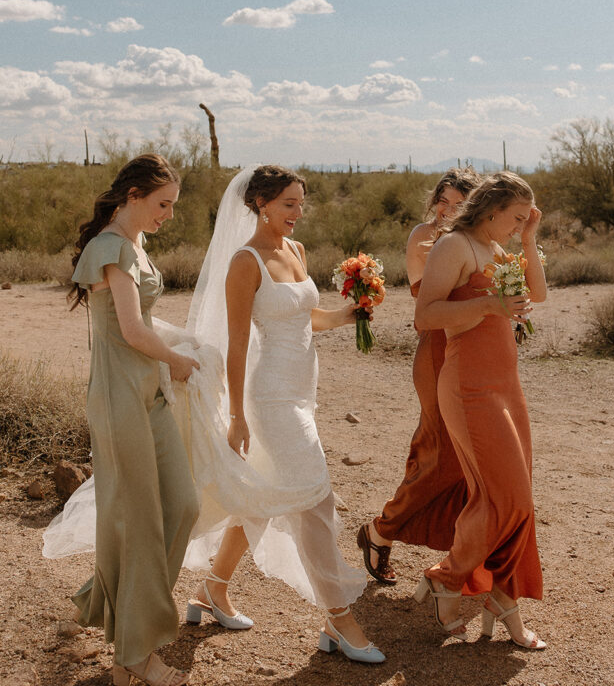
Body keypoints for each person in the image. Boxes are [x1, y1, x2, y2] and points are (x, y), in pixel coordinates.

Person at [183, 165, 385, 665]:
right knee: (316, 496)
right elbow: (235, 345)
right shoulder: (245, 262)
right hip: (268, 396)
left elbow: (304, 316)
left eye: (302, 203)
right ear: (261, 204)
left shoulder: (294, 251)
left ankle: (212, 588)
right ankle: (338, 617)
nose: (299, 213)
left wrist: (350, 313)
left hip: (302, 390)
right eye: (290, 204)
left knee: (266, 491)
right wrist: (237, 416)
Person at [66, 154, 200, 686]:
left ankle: (128, 621)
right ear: (133, 196)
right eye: (162, 204)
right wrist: (179, 359)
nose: (168, 214)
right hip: (119, 397)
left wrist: (177, 358)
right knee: (140, 521)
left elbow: (145, 322)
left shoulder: (136, 244)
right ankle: (135, 654)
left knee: (183, 506)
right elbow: (131, 330)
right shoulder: (110, 247)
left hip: (150, 394)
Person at [412, 171, 547, 648]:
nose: (518, 225)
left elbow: (540, 293)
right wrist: (491, 304)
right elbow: (424, 316)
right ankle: (449, 578)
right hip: (468, 386)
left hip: (505, 384)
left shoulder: (497, 248)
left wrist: (528, 241)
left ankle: (500, 595)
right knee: (506, 496)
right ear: (491, 210)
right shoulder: (455, 246)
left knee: (515, 495)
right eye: (516, 217)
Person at [357, 168, 480, 586]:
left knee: (470, 457)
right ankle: (380, 530)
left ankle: (462, 553)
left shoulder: (481, 240)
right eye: (442, 201)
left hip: (476, 351)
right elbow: (435, 298)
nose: (446, 210)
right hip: (438, 351)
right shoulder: (425, 238)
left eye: (458, 203)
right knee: (441, 451)